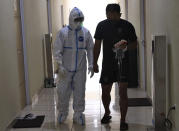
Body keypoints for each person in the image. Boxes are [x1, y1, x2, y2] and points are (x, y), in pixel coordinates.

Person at [93, 4, 137, 130]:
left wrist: (126, 47)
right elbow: (97, 45)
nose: (111, 18)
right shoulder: (101, 26)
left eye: (114, 15)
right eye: (109, 15)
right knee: (105, 90)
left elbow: (134, 44)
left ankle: (123, 121)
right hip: (107, 63)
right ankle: (107, 113)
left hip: (123, 63)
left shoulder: (127, 26)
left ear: (119, 14)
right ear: (106, 14)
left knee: (123, 92)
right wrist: (94, 62)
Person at [53, 7, 94, 125]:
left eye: (81, 20)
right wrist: (60, 65)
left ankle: (78, 114)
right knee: (62, 92)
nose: (79, 22)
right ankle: (62, 113)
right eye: (77, 20)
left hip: (80, 69)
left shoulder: (85, 33)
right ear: (71, 19)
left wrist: (91, 64)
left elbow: (90, 49)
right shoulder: (63, 33)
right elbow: (57, 51)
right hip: (65, 70)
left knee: (80, 92)